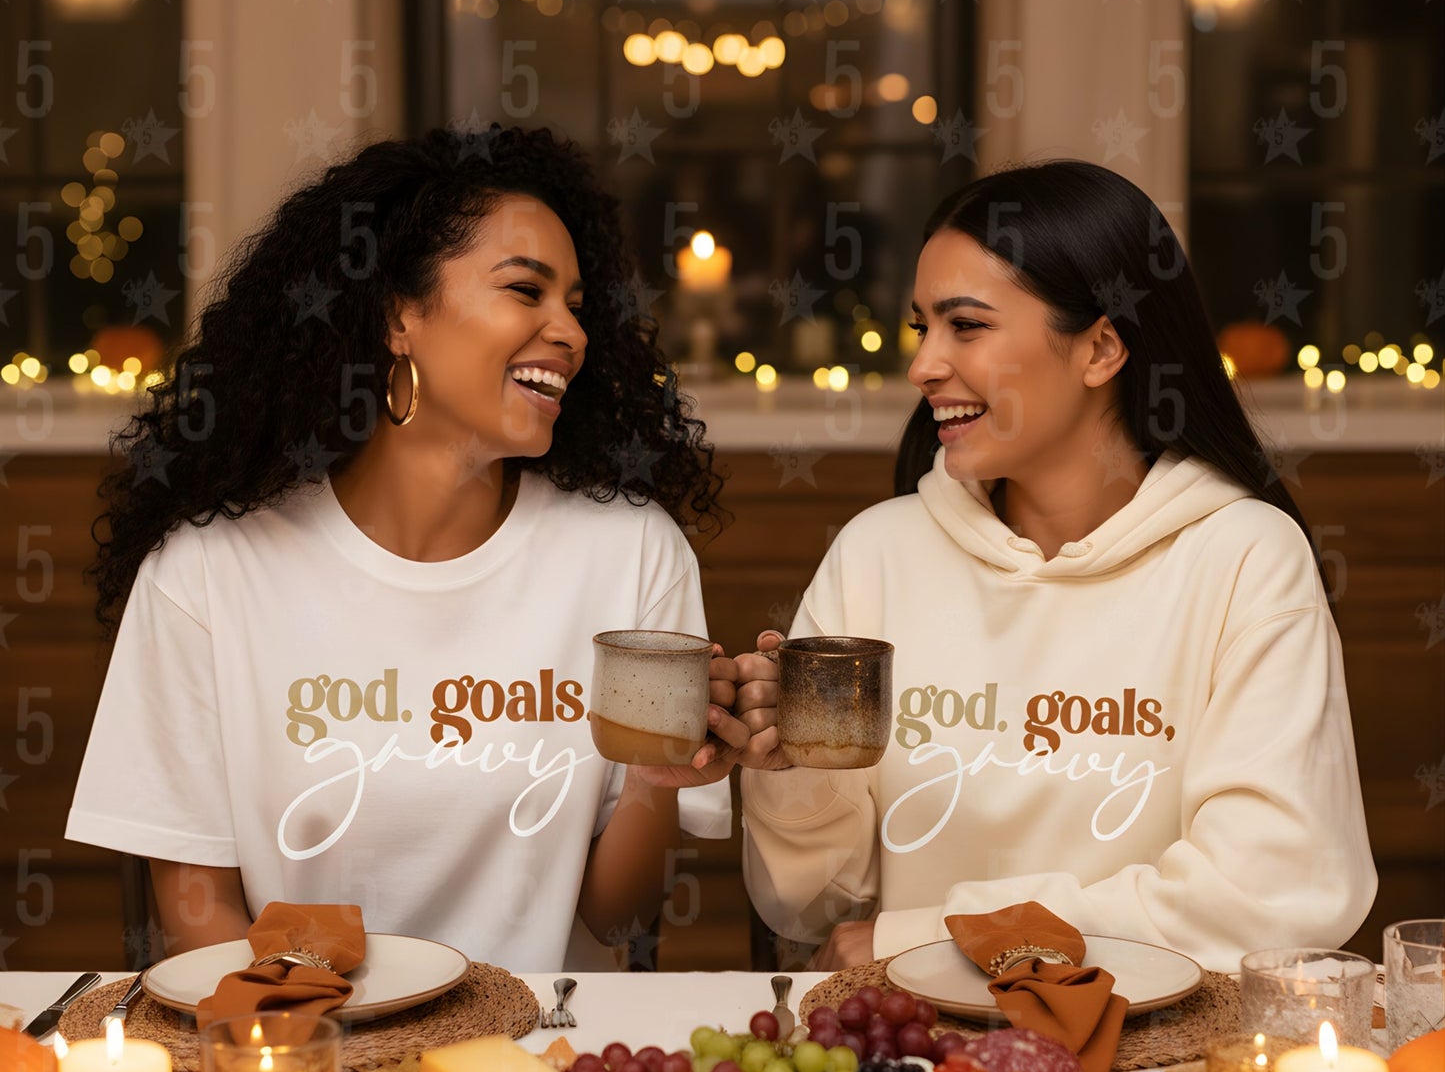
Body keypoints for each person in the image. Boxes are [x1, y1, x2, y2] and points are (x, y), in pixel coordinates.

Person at [67, 125, 750, 972]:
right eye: (525, 290)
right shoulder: (210, 571)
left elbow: (616, 921)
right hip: (311, 1059)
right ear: (399, 312)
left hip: (542, 1064)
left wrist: (654, 776)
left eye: (575, 304)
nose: (568, 332)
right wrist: (330, 1062)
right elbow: (196, 915)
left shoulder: (630, 554)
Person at [736, 160, 1376, 976]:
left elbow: (1269, 893)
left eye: (965, 326)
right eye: (920, 327)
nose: (923, 365)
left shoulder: (1244, 557)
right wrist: (793, 776)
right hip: (919, 1059)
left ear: (1101, 347)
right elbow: (815, 907)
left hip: (1163, 1060)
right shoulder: (876, 554)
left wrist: (942, 935)